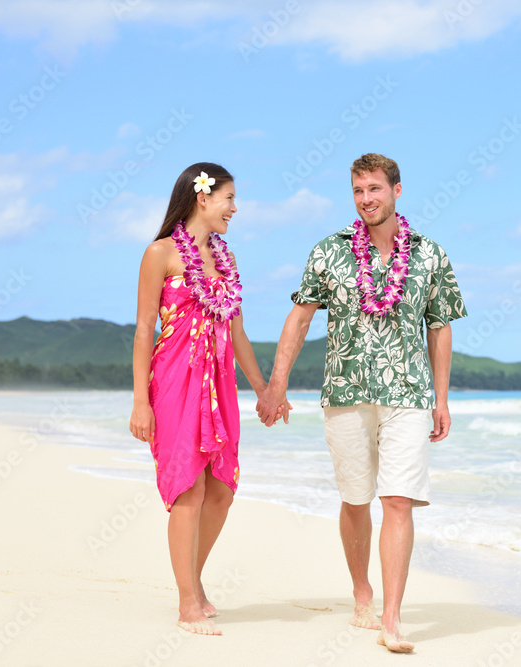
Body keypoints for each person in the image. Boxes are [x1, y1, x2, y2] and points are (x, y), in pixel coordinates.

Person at [256, 153, 467, 653]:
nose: (366, 199)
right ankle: (362, 591)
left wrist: (441, 398)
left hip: (409, 393)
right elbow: (300, 318)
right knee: (356, 499)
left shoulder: (430, 255)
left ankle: (391, 618)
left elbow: (439, 327)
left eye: (374, 188)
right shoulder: (330, 251)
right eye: (357, 191)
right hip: (346, 390)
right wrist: (276, 384)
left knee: (397, 500)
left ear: (397, 189)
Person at [129, 162, 288, 636]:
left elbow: (237, 333)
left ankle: (192, 582)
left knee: (222, 489)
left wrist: (264, 389)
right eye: (229, 199)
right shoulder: (160, 253)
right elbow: (142, 333)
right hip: (175, 379)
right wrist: (140, 401)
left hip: (218, 386)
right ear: (203, 197)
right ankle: (186, 603)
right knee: (190, 489)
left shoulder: (228, 260)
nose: (234, 209)